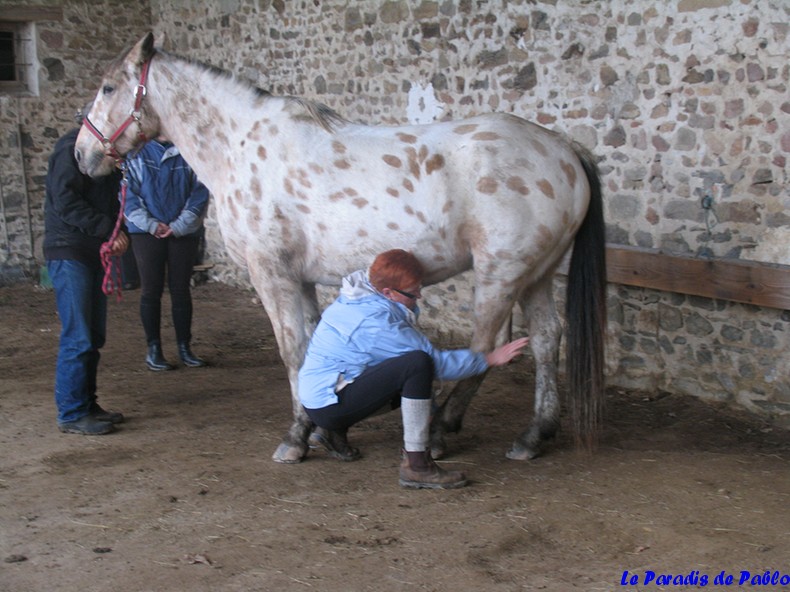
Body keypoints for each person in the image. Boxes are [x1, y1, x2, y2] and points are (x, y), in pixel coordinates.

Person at [298, 249, 530, 489]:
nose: (419, 295)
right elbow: (436, 364)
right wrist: (489, 359)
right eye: (413, 292)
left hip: (323, 392)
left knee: (409, 368)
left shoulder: (361, 294)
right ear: (388, 292)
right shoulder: (374, 324)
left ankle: (331, 433)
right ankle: (417, 466)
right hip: (330, 404)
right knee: (417, 365)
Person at [44, 109, 129, 435]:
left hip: (89, 251)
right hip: (70, 250)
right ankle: (71, 412)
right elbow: (65, 201)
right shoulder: (70, 150)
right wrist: (108, 229)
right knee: (78, 335)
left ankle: (86, 403)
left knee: (93, 335)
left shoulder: (100, 157)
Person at [124, 138, 209, 371]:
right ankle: (154, 349)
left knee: (180, 290)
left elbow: (200, 191)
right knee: (151, 290)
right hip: (146, 233)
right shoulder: (136, 155)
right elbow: (127, 195)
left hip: (182, 232)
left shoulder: (189, 152)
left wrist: (181, 224)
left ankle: (184, 347)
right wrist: (151, 224)